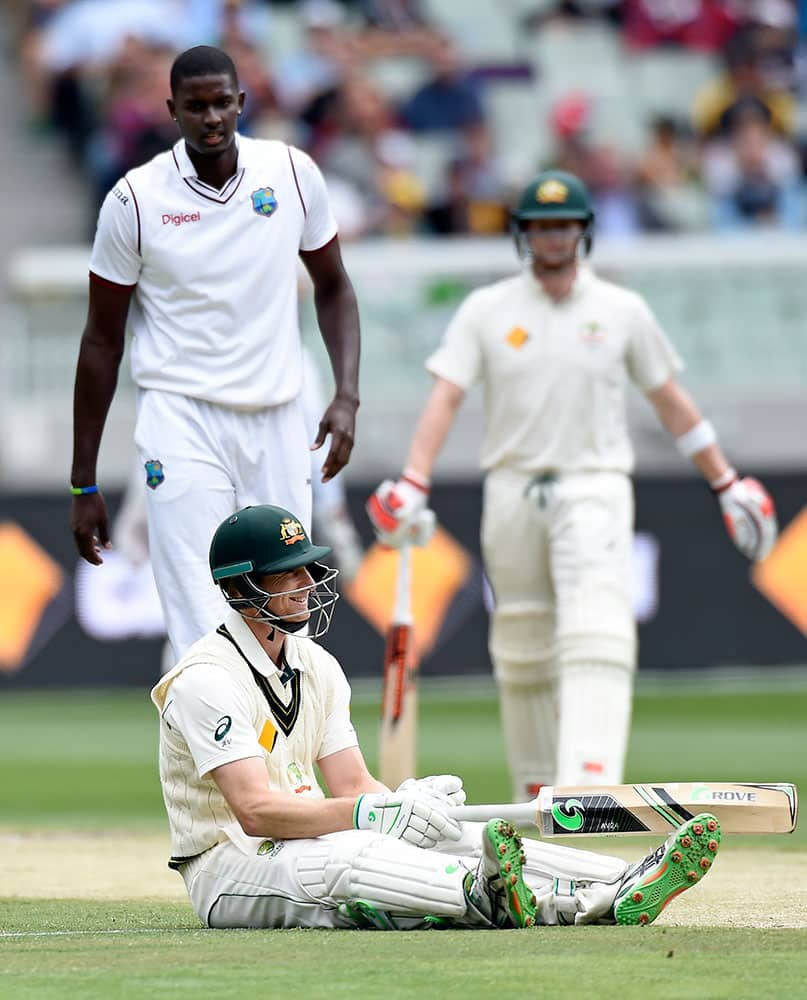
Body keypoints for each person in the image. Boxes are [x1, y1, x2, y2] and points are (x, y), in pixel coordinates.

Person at [367, 169, 778, 803]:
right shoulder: (487, 309)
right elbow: (445, 397)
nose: (552, 239)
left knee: (595, 624)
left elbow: (669, 401)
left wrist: (726, 482)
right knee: (522, 640)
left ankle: (591, 782)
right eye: (539, 227)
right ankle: (539, 788)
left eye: (562, 227)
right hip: (511, 487)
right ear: (522, 236)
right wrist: (415, 480)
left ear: (582, 233)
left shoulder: (621, 310)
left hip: (594, 485)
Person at [150, 502, 722, 930]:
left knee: (450, 834)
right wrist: (373, 815)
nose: (307, 583)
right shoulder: (206, 679)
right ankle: (523, 899)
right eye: (288, 573)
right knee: (352, 855)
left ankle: (616, 884)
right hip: (229, 869)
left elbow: (354, 786)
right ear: (241, 585)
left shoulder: (316, 665)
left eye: (307, 569)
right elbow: (254, 811)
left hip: (300, 839)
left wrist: (405, 806)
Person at [70, 45, 361, 665]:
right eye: (195, 106)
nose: (210, 118)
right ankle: (212, 764)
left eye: (221, 103)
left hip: (278, 415)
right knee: (202, 617)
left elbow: (334, 287)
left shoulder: (291, 174)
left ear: (241, 104)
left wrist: (346, 395)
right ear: (171, 110)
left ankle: (282, 765)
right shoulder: (135, 201)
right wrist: (83, 480)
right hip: (181, 418)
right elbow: (100, 340)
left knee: (287, 612)